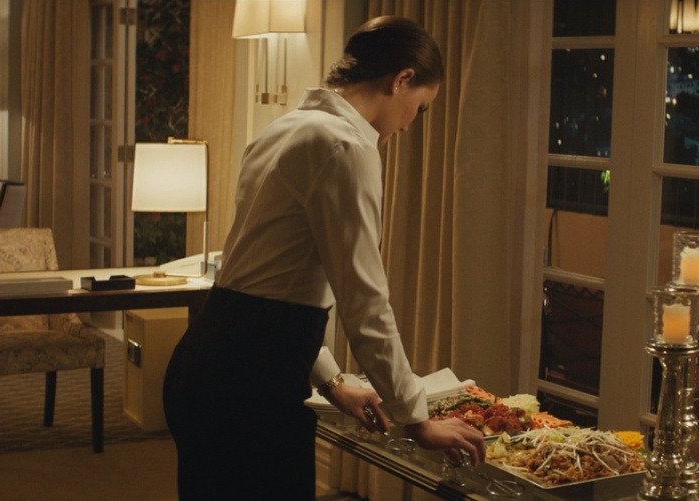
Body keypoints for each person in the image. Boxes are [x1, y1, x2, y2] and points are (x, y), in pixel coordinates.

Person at [162, 15, 486, 500]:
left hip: (207, 367)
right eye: (419, 109)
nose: (407, 126)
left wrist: (333, 383)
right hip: (251, 389)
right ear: (402, 79)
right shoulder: (347, 147)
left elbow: (271, 284)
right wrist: (416, 417)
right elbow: (365, 305)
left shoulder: (284, 129)